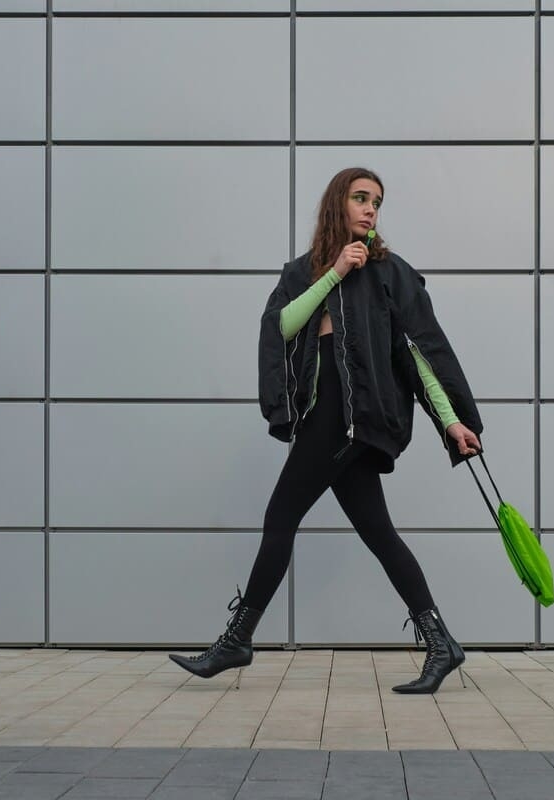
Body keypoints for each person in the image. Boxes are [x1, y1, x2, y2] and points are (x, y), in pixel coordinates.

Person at [169, 167, 483, 695]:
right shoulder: (304, 272)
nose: (370, 209)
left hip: (351, 418)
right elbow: (282, 325)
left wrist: (451, 421)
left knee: (280, 517)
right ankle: (441, 643)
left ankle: (237, 641)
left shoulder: (389, 273)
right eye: (361, 198)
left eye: (377, 202)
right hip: (324, 415)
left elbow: (419, 352)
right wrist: (335, 272)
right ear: (338, 203)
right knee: (379, 534)